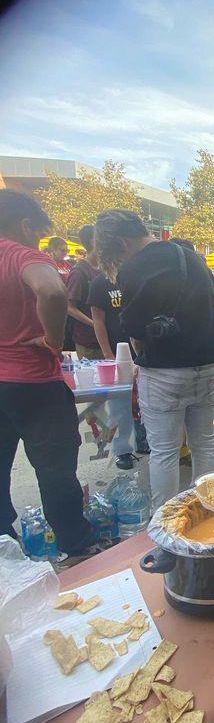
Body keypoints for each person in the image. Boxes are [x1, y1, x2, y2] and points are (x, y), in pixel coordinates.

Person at [95, 209, 214, 509]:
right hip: (207, 366)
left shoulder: (134, 268)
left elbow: (136, 334)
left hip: (164, 373)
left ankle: (166, 523)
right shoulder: (191, 257)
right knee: (205, 442)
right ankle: (207, 513)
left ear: (121, 243)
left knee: (165, 452)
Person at [0, 190, 97, 558]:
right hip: (34, 382)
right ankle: (76, 545)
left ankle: (5, 548)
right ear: (25, 225)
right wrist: (52, 340)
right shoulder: (22, 255)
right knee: (56, 471)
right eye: (38, 233)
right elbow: (52, 291)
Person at [88, 271, 149, 470]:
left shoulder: (137, 276)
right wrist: (107, 352)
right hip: (117, 352)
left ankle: (143, 441)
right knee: (119, 406)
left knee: (144, 400)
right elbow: (98, 321)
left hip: (144, 352)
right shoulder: (100, 283)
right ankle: (122, 450)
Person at [66, 224, 102, 359]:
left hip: (109, 339)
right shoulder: (79, 272)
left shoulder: (105, 269)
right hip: (89, 342)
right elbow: (70, 308)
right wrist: (96, 324)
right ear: (93, 242)